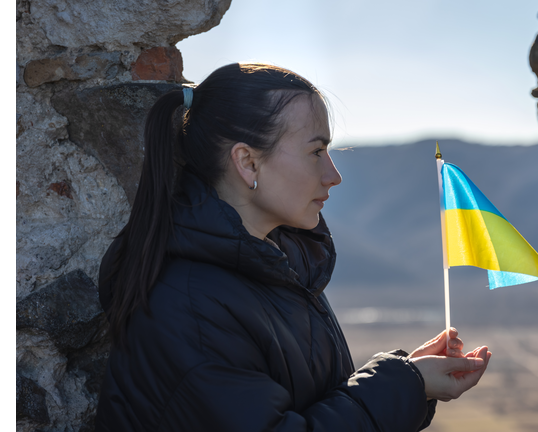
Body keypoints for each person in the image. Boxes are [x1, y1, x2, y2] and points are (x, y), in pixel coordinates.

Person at [94, 62, 492, 431]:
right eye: (316, 152)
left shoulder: (273, 267)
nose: (333, 175)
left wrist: (409, 377)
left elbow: (315, 405)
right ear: (247, 162)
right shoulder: (189, 308)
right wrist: (405, 384)